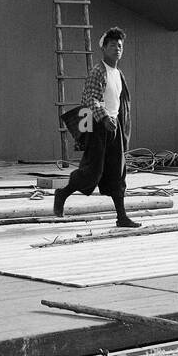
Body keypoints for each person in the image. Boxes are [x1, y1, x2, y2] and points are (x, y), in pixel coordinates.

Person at [54, 27, 139, 228]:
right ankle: (63, 193)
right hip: (99, 127)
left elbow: (121, 103)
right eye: (113, 45)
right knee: (92, 171)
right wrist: (104, 117)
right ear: (104, 48)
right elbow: (90, 98)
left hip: (114, 127)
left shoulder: (118, 73)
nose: (117, 49)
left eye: (120, 46)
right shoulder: (98, 71)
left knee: (117, 172)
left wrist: (118, 125)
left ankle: (122, 217)